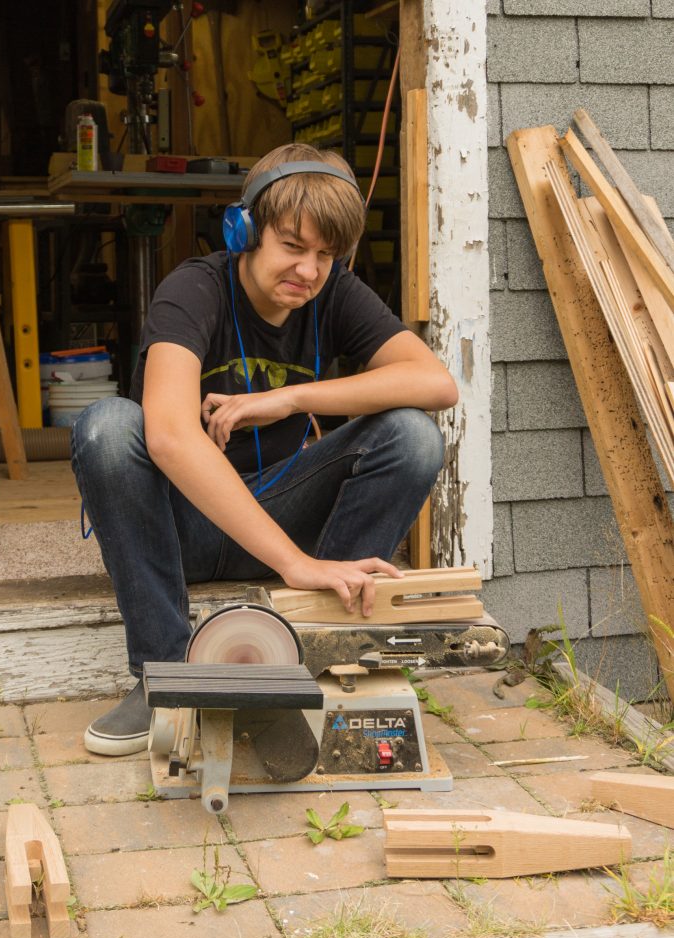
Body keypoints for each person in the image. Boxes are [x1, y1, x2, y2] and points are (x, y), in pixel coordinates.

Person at [71, 142, 458, 760]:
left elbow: (435, 382)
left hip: (281, 507)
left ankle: (318, 654)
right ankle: (164, 676)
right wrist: (293, 561)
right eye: (293, 246)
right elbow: (169, 435)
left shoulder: (333, 294)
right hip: (185, 527)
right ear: (244, 230)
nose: (308, 271)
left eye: (325, 255)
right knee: (109, 427)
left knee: (412, 433)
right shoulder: (192, 290)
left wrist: (291, 399)